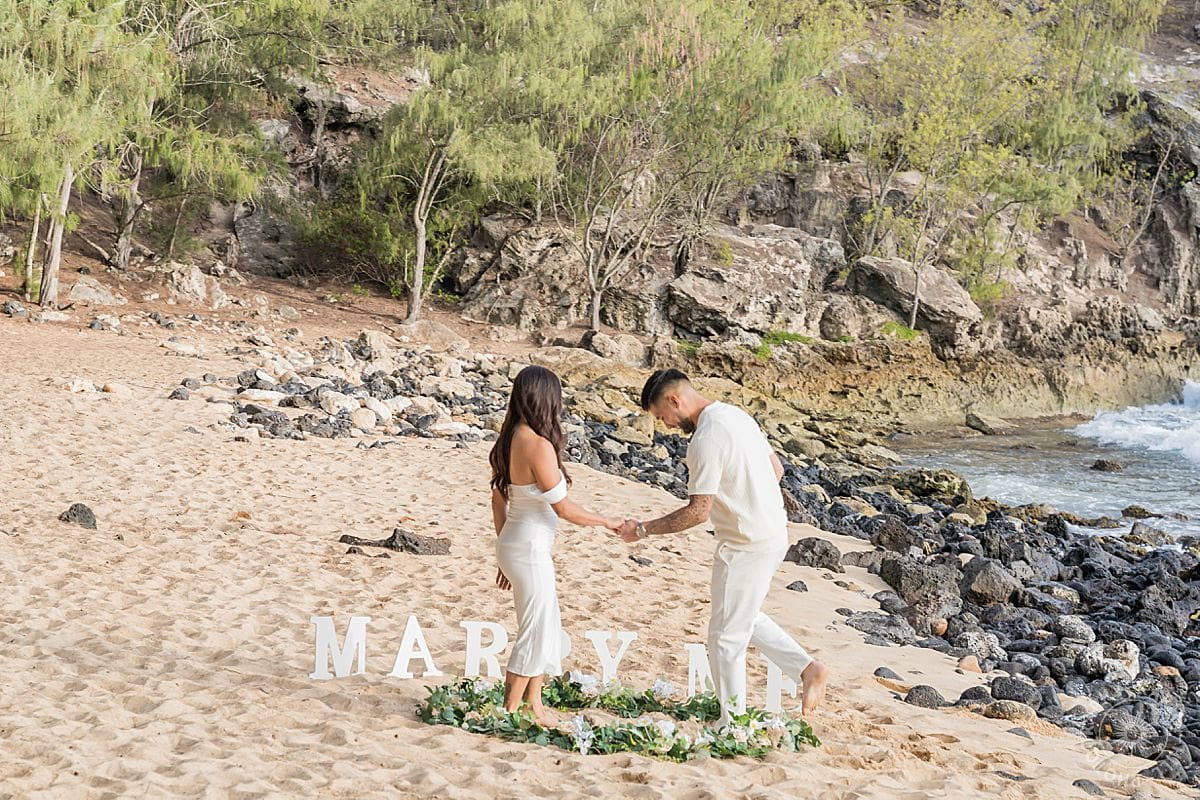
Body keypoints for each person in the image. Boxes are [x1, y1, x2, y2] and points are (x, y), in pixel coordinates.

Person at [618, 369, 828, 726]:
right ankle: (807, 669)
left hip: (747, 542)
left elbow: (698, 512)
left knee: (725, 638)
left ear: (675, 400)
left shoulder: (706, 438)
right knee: (741, 616)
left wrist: (642, 530)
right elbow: (775, 469)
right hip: (772, 530)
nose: (666, 425)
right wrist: (744, 496)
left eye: (661, 416)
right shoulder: (735, 415)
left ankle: (733, 723)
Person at [489, 365, 623, 727]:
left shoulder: (511, 437)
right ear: (546, 400)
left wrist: (504, 553)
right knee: (534, 629)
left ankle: (535, 705)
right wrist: (607, 521)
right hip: (530, 549)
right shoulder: (537, 444)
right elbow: (563, 508)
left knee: (545, 624)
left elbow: (499, 499)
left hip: (516, 545)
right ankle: (510, 712)